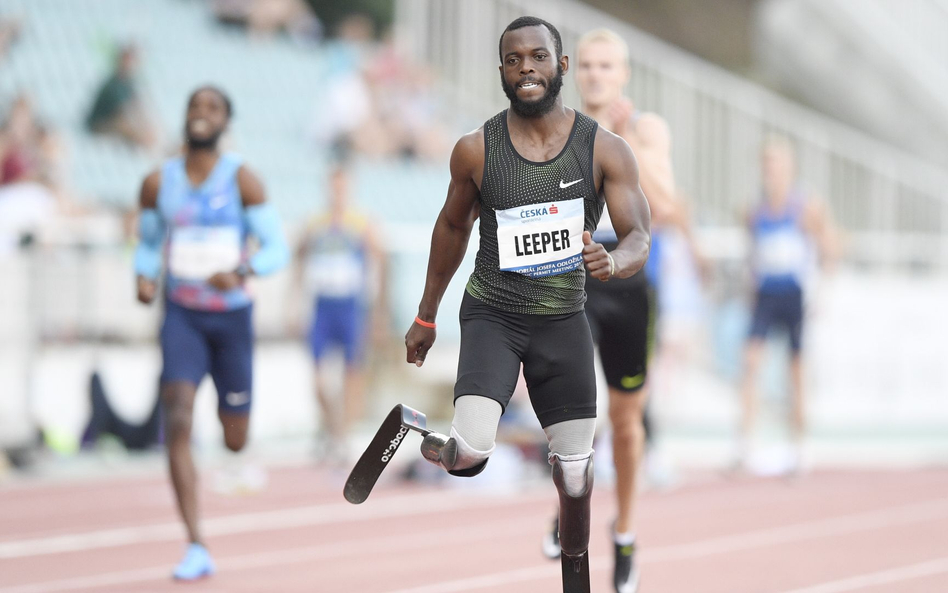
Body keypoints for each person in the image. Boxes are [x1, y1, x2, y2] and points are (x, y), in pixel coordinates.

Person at [402, 16, 650, 585]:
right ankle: (426, 434)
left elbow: (639, 235)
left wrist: (614, 262)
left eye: (538, 57)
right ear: (501, 72)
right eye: (514, 61)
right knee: (469, 459)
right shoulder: (475, 150)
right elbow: (450, 228)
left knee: (578, 476)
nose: (526, 69)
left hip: (562, 321)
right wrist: (426, 314)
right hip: (494, 315)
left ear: (560, 67)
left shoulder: (603, 149)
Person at [537, 28, 694, 593]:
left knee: (627, 425)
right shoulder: (556, 128)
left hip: (627, 281)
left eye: (610, 66)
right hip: (572, 277)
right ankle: (569, 511)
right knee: (574, 410)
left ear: (623, 73)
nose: (599, 75)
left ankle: (624, 532)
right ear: (576, 71)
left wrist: (622, 137)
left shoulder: (645, 129)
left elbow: (670, 208)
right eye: (591, 66)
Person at [134, 86, 289, 580]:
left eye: (212, 108)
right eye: (194, 107)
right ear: (185, 119)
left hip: (231, 320)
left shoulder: (243, 180)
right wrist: (144, 276)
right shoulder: (159, 182)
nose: (201, 114)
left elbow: (276, 249)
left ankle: (234, 445)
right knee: (176, 413)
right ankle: (196, 542)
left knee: (235, 436)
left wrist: (242, 269)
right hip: (181, 314)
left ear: (225, 122)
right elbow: (147, 244)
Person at [739, 135, 836, 475]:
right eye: (767, 163)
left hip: (794, 294)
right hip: (766, 294)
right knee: (750, 364)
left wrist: (822, 290)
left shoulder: (805, 206)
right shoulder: (756, 208)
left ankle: (800, 447)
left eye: (778, 163)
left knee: (795, 372)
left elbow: (831, 247)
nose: (772, 170)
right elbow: (753, 252)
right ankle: (747, 445)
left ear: (790, 167)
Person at [295, 165, 385, 463]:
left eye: (342, 188)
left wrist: (377, 313)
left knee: (352, 375)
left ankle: (341, 437)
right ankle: (332, 429)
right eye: (333, 187)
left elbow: (379, 265)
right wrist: (294, 303)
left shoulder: (361, 223)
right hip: (322, 306)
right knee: (318, 380)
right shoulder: (314, 223)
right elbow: (298, 258)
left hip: (350, 306)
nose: (337, 194)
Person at [86, 45, 158, 151]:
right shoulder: (113, 84)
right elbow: (122, 114)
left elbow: (138, 108)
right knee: (123, 124)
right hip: (99, 125)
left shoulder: (129, 84)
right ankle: (146, 144)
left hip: (113, 125)